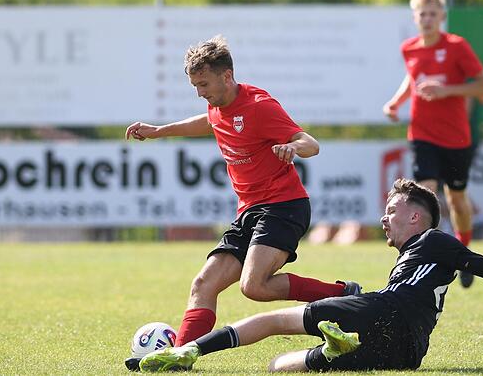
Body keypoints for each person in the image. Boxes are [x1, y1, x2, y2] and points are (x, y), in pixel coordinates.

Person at [135, 179, 483, 373]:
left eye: (393, 211)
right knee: (280, 366)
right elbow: (480, 267)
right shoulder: (425, 252)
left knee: (274, 320)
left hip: (385, 311)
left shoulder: (434, 240)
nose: (384, 219)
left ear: (417, 219)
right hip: (407, 351)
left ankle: (188, 352)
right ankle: (335, 345)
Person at [124, 36, 361, 361]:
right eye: (195, 86)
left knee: (255, 286)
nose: (200, 93)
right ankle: (178, 356)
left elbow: (311, 143)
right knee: (203, 284)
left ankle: (343, 294)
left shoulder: (260, 106)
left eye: (204, 84)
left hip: (284, 205)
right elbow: (208, 122)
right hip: (250, 211)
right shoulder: (217, 105)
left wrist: (293, 147)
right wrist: (159, 131)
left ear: (227, 76)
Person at [383, 0, 483, 288]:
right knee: (425, 195)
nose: (428, 18)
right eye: (423, 13)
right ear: (415, 17)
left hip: (456, 138)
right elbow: (412, 79)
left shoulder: (457, 46)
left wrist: (447, 91)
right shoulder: (409, 48)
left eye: (433, 13)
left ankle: (465, 253)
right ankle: (423, 258)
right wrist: (396, 102)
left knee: (457, 200)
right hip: (422, 134)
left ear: (442, 16)